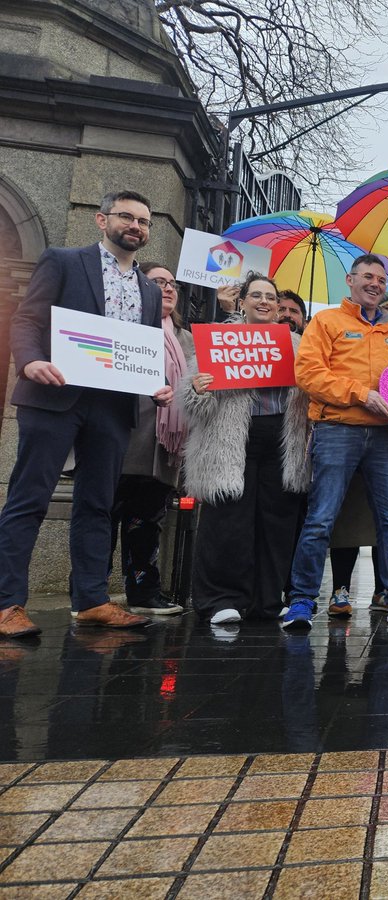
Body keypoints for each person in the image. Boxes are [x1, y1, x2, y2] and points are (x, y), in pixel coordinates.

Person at [0, 190, 172, 637]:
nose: (136, 227)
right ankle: (6, 603)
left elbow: (144, 352)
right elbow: (26, 319)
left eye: (145, 221)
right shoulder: (63, 261)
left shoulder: (150, 292)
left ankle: (92, 600)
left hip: (113, 408)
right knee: (29, 498)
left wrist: (155, 387)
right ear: (101, 220)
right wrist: (30, 360)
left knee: (97, 505)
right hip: (55, 395)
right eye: (127, 217)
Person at [283, 254, 388, 629]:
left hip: (385, 438)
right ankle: (301, 601)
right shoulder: (326, 322)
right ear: (350, 281)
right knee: (321, 518)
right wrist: (360, 394)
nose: (375, 284)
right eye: (368, 276)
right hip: (336, 430)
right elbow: (308, 374)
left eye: (381, 280)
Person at [185, 274, 308, 626]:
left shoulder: (297, 344)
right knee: (229, 521)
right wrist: (198, 389)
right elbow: (192, 404)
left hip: (282, 440)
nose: (265, 302)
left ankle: (267, 601)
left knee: (276, 522)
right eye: (257, 295)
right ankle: (221, 599)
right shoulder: (219, 339)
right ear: (242, 302)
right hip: (231, 441)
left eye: (271, 296)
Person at [109, 262, 195, 616]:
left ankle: (144, 593)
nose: (169, 288)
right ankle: (90, 593)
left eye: (173, 283)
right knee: (105, 517)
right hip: (124, 437)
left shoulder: (186, 338)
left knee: (147, 521)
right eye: (158, 282)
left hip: (163, 448)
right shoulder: (124, 326)